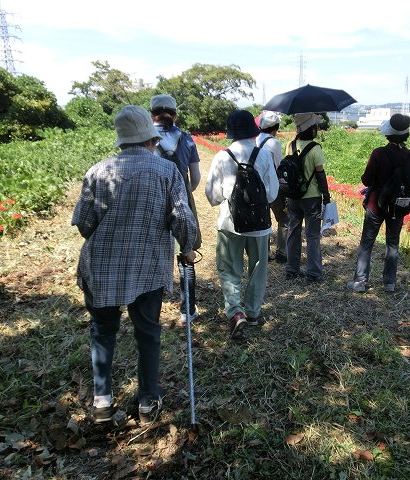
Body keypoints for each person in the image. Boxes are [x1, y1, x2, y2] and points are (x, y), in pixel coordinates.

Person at [72, 105, 197, 425]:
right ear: (151, 140)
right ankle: (147, 403)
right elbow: (183, 219)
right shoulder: (167, 172)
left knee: (103, 331)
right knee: (148, 333)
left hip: (101, 267)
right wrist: (186, 248)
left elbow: (85, 224)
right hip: (148, 266)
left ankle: (102, 403)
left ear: (122, 140)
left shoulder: (98, 171)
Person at [204, 110, 278, 339]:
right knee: (257, 268)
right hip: (260, 225)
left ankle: (236, 312)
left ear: (231, 132)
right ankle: (253, 313)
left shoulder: (222, 157)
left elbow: (213, 196)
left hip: (229, 223)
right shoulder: (264, 155)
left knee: (229, 268)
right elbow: (273, 193)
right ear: (253, 130)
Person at [346, 113, 410, 293]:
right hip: (398, 207)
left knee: (367, 242)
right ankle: (389, 283)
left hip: (376, 205)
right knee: (392, 243)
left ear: (388, 134)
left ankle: (360, 282)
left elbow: (366, 180)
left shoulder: (378, 153)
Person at [150, 94, 202, 327]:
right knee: (187, 252)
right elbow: (196, 177)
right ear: (175, 114)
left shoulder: (145, 138)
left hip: (153, 199)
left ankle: (151, 307)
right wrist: (183, 192)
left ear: (152, 114)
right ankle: (187, 310)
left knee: (154, 250)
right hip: (181, 198)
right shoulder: (187, 138)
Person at [284, 113, 331, 283]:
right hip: (311, 198)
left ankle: (291, 269)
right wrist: (326, 198)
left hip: (293, 196)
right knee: (312, 236)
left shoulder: (291, 145)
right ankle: (313, 273)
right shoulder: (315, 148)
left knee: (293, 231)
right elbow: (320, 175)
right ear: (311, 128)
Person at [256, 111, 287, 263]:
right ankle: (282, 252)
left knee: (264, 219)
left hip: (257, 187)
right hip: (272, 187)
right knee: (283, 219)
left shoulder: (255, 140)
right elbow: (280, 166)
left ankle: (265, 252)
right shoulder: (274, 142)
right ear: (275, 128)